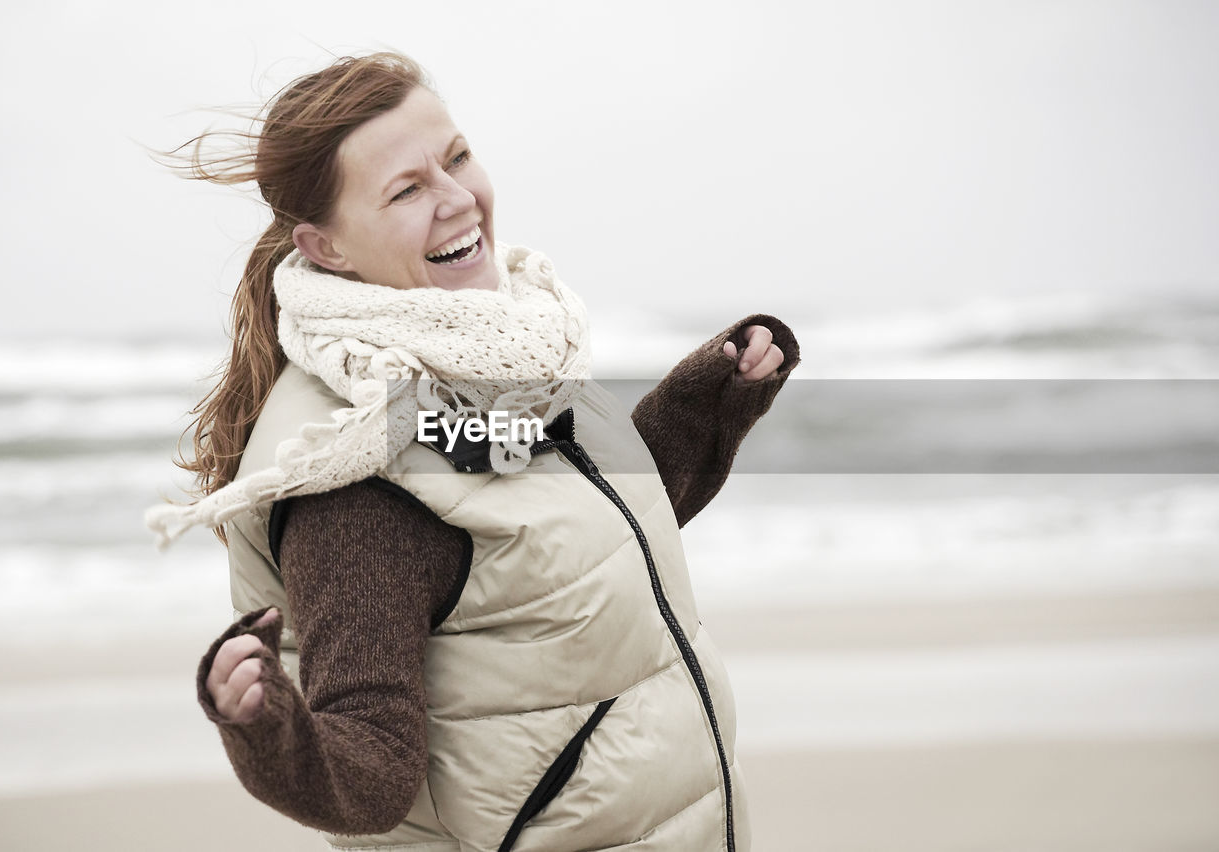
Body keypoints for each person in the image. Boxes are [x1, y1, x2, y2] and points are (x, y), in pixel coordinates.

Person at [147, 51, 798, 852]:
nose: (458, 198)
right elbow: (370, 771)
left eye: (455, 158)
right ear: (328, 248)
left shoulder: (500, 350)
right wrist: (269, 730)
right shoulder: (358, 474)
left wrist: (708, 402)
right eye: (407, 189)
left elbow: (575, 543)